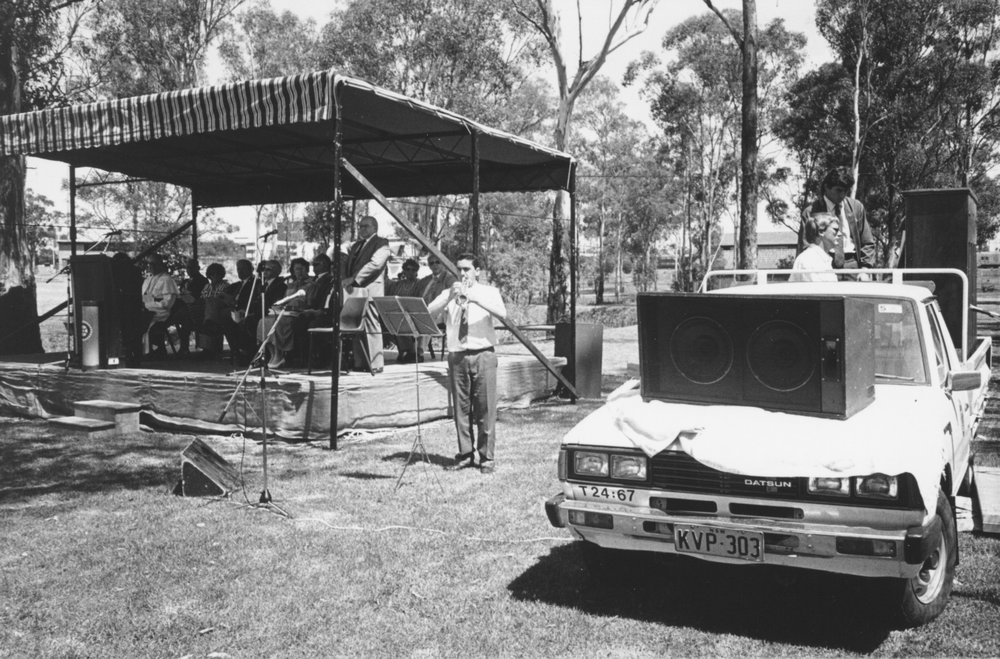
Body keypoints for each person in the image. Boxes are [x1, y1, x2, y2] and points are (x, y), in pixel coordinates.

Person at [428, 253, 507, 474]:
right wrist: (447, 298)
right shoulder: (449, 293)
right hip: (457, 355)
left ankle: (486, 457)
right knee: (461, 409)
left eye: (467, 269)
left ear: (477, 271)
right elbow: (427, 312)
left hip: (483, 354)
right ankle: (465, 454)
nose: (462, 274)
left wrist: (475, 298)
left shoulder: (489, 292)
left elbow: (503, 314)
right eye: (459, 269)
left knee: (485, 408)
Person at [341, 215, 391, 372]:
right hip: (354, 291)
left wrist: (354, 279)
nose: (362, 229)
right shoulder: (356, 246)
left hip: (370, 289)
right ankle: (360, 362)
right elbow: (347, 263)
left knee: (371, 324)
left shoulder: (382, 243)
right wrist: (345, 279)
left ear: (375, 228)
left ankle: (376, 363)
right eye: (360, 226)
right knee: (357, 326)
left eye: (366, 226)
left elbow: (375, 264)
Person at [806, 166, 874, 269]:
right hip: (823, 266)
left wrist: (865, 269)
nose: (842, 195)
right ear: (826, 187)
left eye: (846, 191)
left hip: (853, 266)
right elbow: (805, 245)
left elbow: (867, 242)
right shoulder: (810, 212)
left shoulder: (856, 207)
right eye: (838, 190)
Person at [260, 257, 313, 369]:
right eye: (297, 269)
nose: (300, 272)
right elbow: (284, 300)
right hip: (286, 312)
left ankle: (279, 354)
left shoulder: (312, 284)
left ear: (307, 269)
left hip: (299, 312)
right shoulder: (290, 285)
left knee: (279, 322)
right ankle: (273, 353)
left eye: (303, 269)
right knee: (264, 321)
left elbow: (310, 302)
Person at [140, 253, 179, 359]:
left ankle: (151, 351)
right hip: (149, 308)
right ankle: (143, 350)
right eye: (148, 264)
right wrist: (146, 304)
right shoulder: (148, 280)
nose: (149, 266)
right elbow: (146, 297)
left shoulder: (166, 279)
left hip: (162, 311)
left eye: (152, 264)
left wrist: (149, 305)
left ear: (159, 264)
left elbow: (168, 303)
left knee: (144, 317)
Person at [387, 258, 425, 363]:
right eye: (408, 269)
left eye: (413, 270)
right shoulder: (398, 284)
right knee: (392, 320)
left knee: (408, 321)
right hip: (399, 311)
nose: (410, 272)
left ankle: (413, 352)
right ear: (404, 270)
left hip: (414, 311)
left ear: (417, 271)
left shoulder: (420, 284)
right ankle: (406, 350)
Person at [111, 252, 144, 368]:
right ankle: (136, 358)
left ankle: (129, 356)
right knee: (135, 333)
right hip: (135, 304)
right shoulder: (135, 271)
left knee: (127, 332)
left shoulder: (117, 271)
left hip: (124, 304)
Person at [790, 214, 840, 282]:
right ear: (821, 232)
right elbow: (819, 291)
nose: (840, 234)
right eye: (836, 230)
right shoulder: (810, 260)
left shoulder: (821, 258)